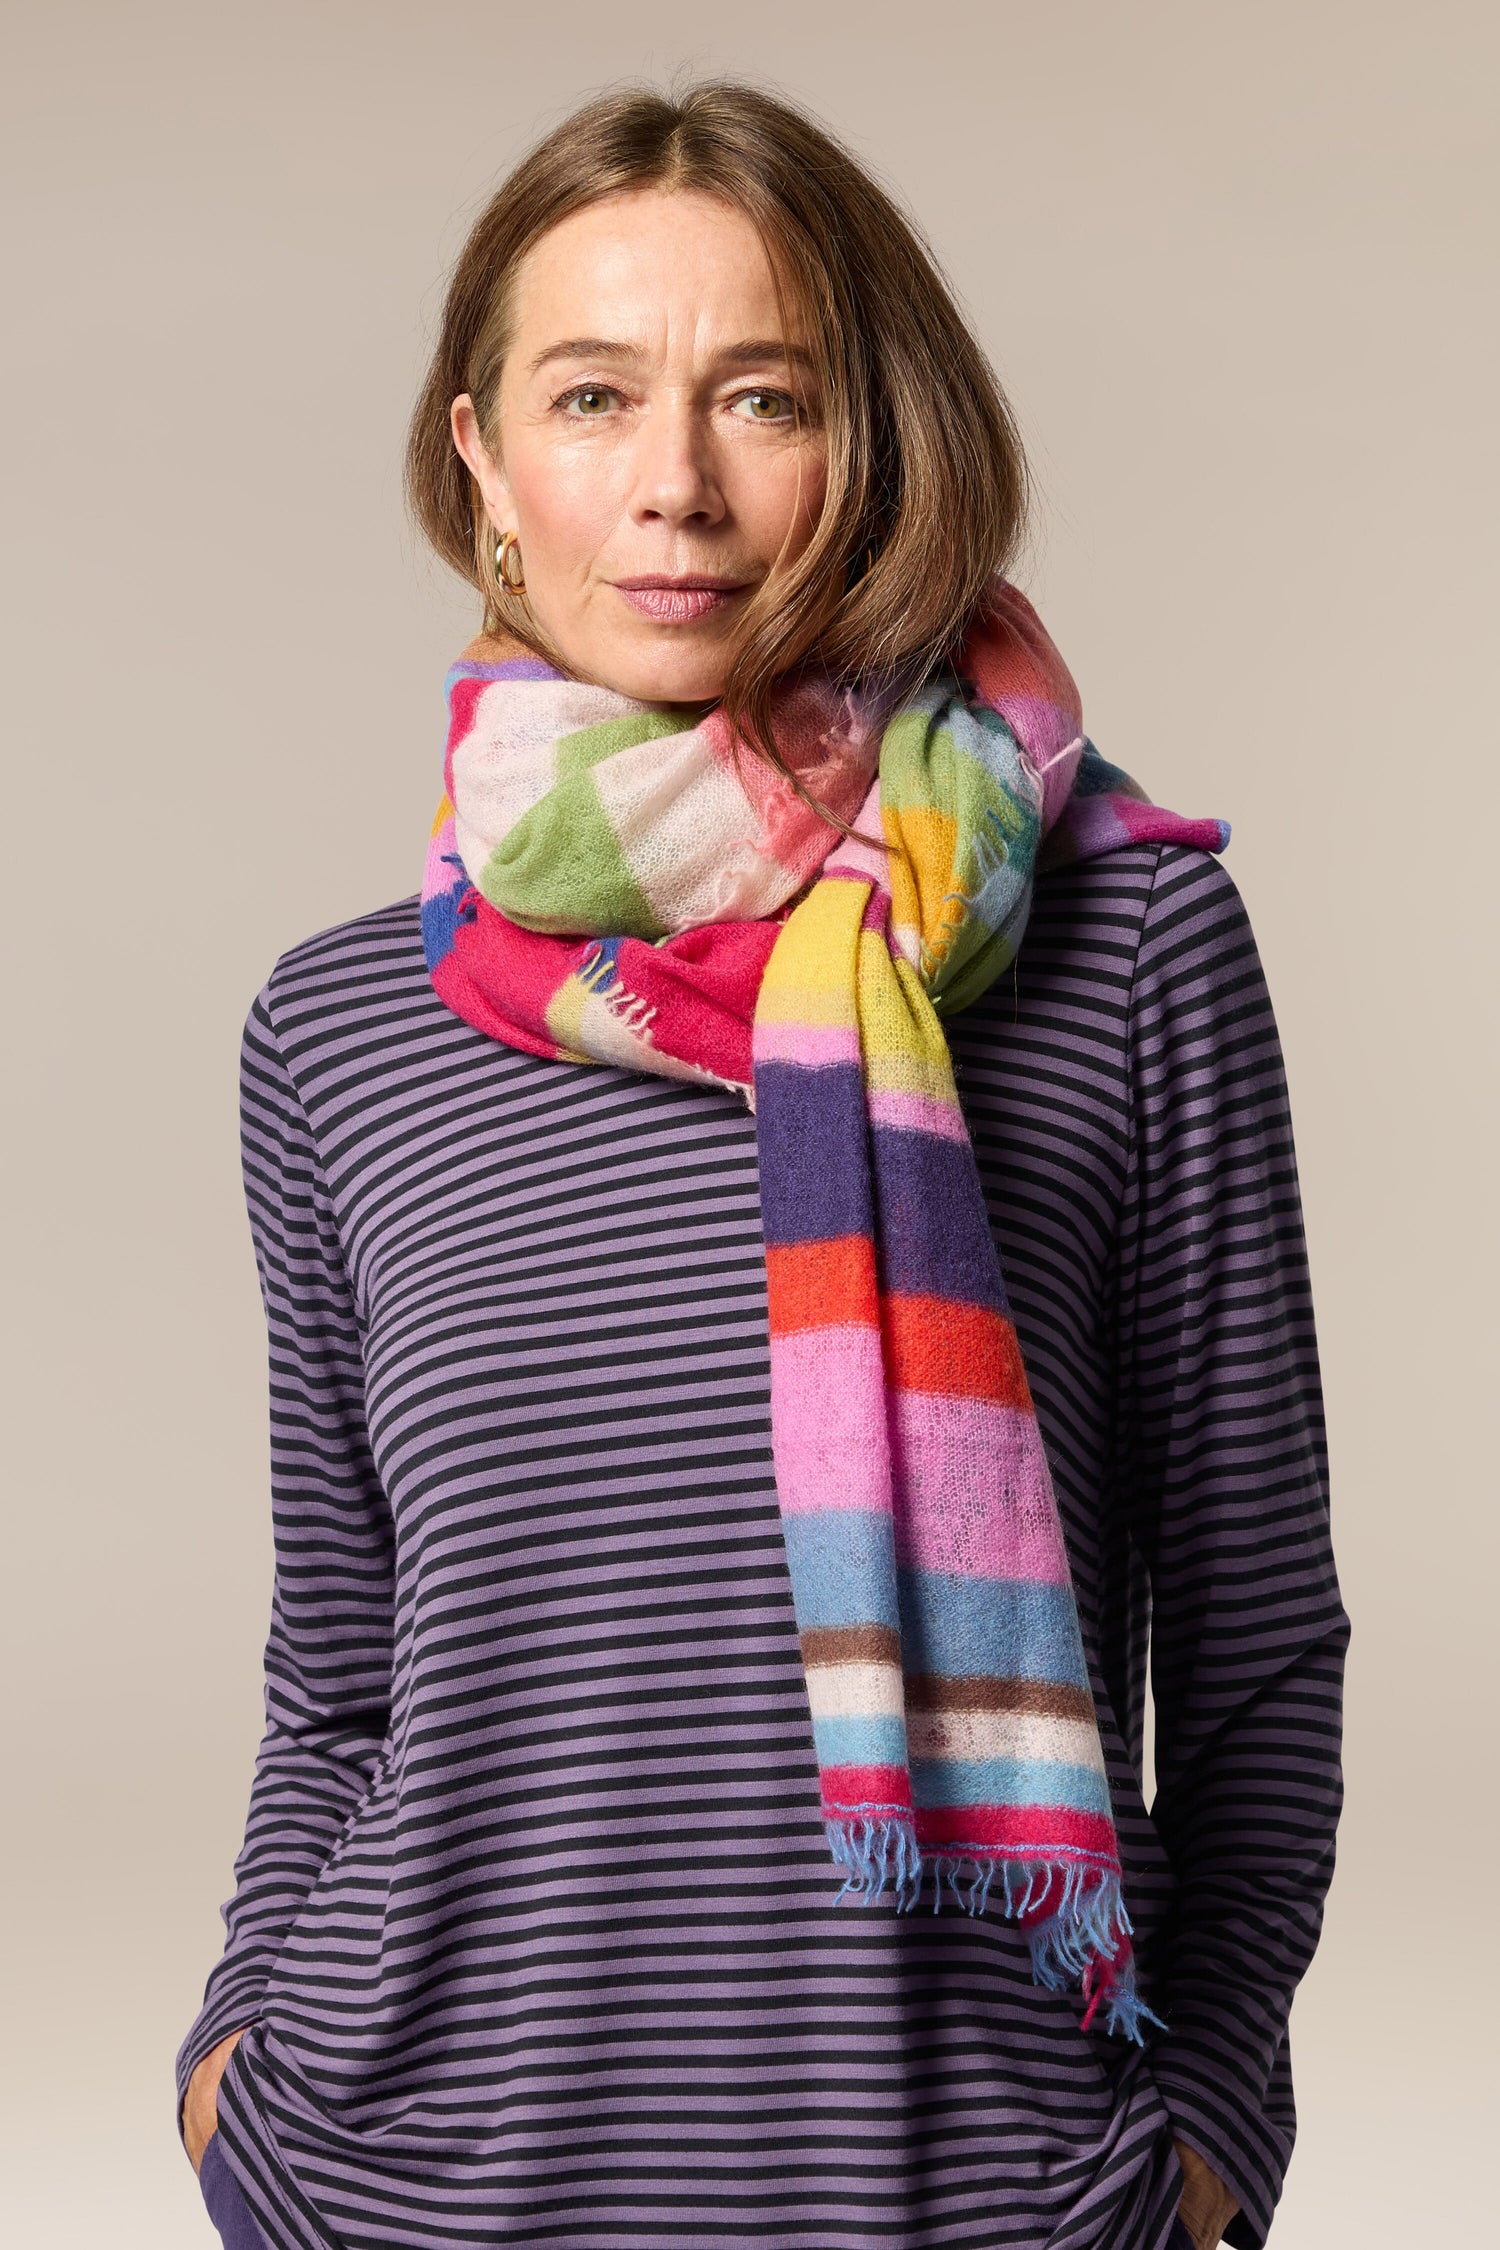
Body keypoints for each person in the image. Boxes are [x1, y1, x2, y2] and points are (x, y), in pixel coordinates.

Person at [176, 81, 1347, 2250]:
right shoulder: (339, 1030)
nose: (679, 485)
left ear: (873, 443)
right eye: (594, 394)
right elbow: (340, 1679)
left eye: (765, 396)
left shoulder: (1126, 943)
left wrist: (1195, 2150)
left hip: (977, 2202)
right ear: (484, 467)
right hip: (407, 2198)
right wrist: (238, 2067)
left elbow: (1259, 1641)